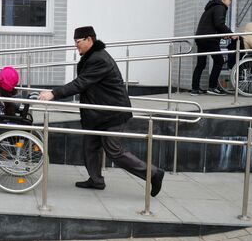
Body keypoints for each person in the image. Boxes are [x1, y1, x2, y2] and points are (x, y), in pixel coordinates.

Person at [38, 26, 165, 197]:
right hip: (98, 113)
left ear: (89, 39)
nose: (76, 46)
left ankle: (154, 174)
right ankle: (96, 180)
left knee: (114, 151)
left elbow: (81, 83)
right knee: (90, 146)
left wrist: (53, 93)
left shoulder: (99, 59)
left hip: (112, 113)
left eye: (78, 42)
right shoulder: (93, 57)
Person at [191, 0, 238, 96]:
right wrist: (231, 34)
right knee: (219, 61)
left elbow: (213, 25)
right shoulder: (221, 7)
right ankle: (212, 87)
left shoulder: (211, 7)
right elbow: (219, 24)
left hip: (201, 38)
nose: (230, 2)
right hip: (209, 39)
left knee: (201, 64)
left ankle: (195, 89)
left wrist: (223, 35)